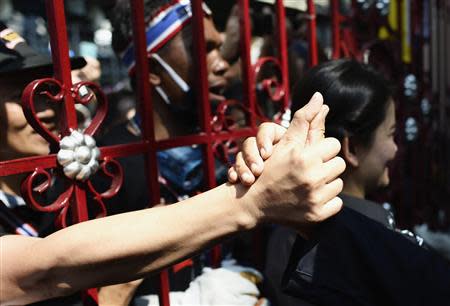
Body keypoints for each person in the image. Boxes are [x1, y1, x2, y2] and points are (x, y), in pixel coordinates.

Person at [1, 90, 346, 305]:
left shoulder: (74, 188)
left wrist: (262, 173)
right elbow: (39, 271)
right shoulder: (107, 172)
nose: (42, 108)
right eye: (19, 94)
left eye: (47, 91)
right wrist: (252, 199)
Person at [231, 60, 450, 306]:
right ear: (353, 148)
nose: (395, 148)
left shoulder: (294, 232)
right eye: (390, 134)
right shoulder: (338, 243)